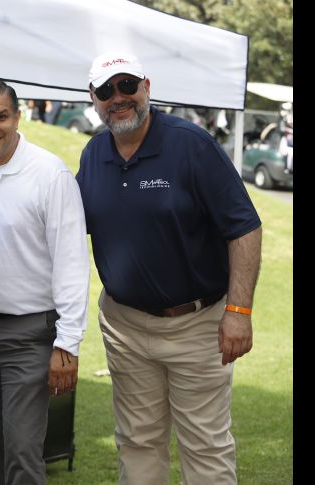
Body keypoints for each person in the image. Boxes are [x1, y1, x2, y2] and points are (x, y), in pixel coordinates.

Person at [75, 51, 262, 485]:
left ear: (147, 87)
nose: (118, 98)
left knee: (206, 446)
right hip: (124, 326)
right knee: (137, 442)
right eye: (106, 90)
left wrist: (239, 312)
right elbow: (72, 228)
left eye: (127, 86)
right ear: (93, 97)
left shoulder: (192, 145)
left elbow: (245, 229)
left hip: (196, 325)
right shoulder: (93, 153)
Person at [0, 78, 90, 485]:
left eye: (0, 117)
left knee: (23, 453)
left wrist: (68, 342)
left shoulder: (50, 174)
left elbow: (72, 262)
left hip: (29, 333)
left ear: (18, 116)